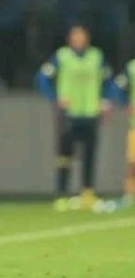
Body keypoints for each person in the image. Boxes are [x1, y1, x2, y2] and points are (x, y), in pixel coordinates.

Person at [36, 24, 112, 211]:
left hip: (90, 112)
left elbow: (108, 80)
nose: (79, 39)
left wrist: (104, 101)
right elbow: (42, 78)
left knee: (89, 155)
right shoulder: (62, 56)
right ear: (70, 39)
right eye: (75, 36)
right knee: (64, 155)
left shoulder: (96, 56)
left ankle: (88, 193)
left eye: (82, 35)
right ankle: (61, 194)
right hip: (69, 113)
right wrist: (55, 98)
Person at [111, 57, 135, 207]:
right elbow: (117, 87)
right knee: (132, 163)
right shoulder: (132, 67)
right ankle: (129, 195)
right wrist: (126, 103)